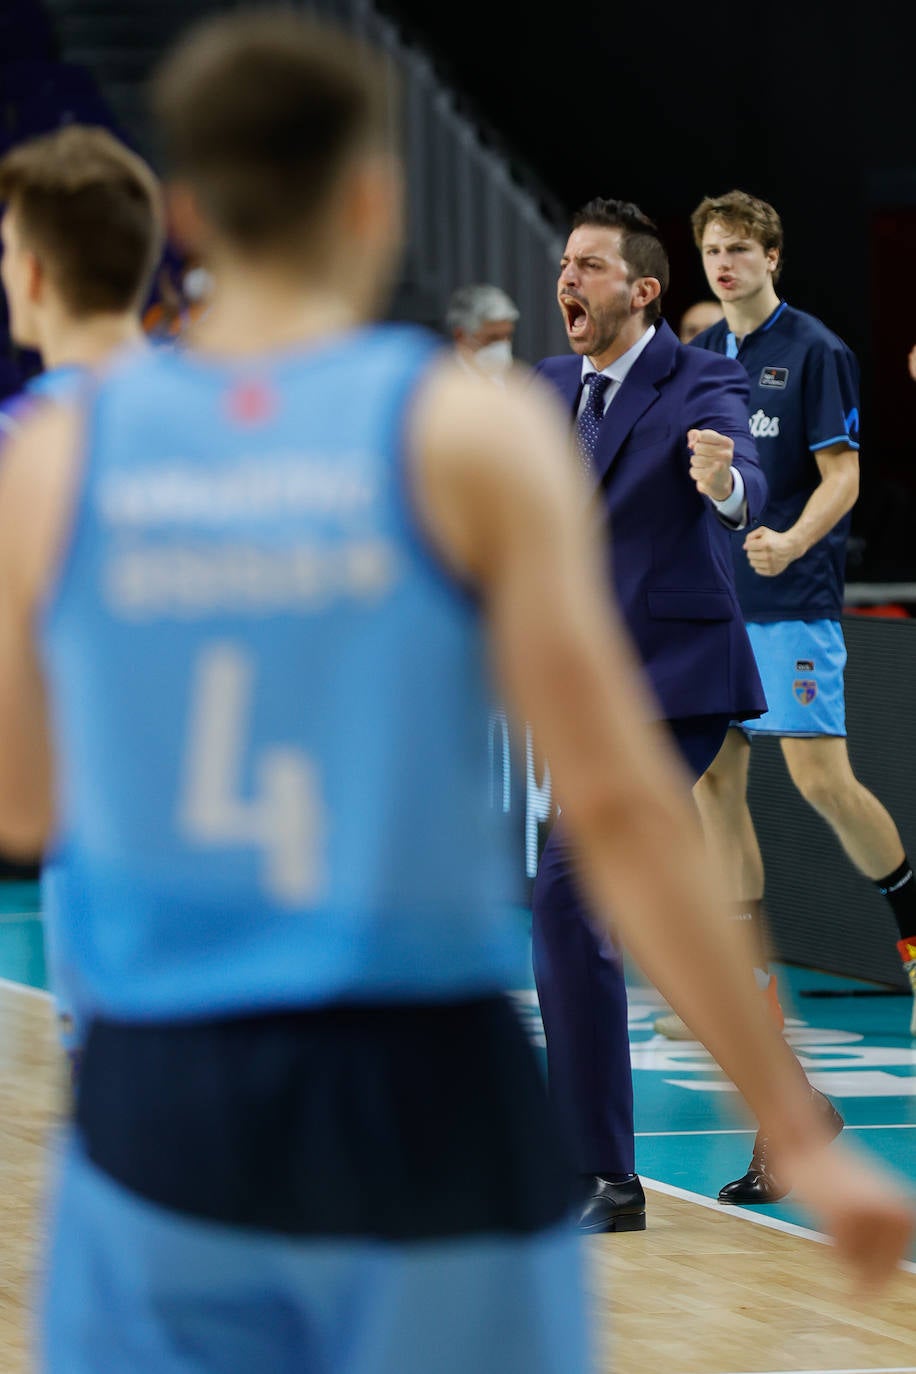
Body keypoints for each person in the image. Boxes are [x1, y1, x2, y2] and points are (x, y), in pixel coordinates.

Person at [0, 14, 911, 1372]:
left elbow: (28, 800)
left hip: (166, 1090)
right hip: (417, 1075)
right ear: (372, 202)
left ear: (187, 212)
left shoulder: (60, 456)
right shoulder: (467, 431)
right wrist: (787, 1121)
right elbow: (612, 802)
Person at [530, 197, 769, 1234]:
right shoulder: (543, 389)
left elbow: (745, 477)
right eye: (563, 263)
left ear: (641, 290)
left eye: (588, 265)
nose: (566, 280)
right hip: (585, 695)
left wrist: (725, 484)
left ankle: (603, 1178)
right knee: (648, 926)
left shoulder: (698, 375)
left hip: (675, 682)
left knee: (564, 896)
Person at [679, 187, 916, 1202]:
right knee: (710, 792)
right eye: (712, 251)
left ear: (771, 253)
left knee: (820, 782)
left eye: (738, 249)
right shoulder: (696, 363)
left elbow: (842, 477)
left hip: (793, 604)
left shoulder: (810, 350)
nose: (724, 264)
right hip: (706, 611)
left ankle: (912, 922)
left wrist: (789, 541)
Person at [0, 122, 163, 1071]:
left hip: (109, 862)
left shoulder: (30, 446)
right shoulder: (237, 415)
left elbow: (21, 798)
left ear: (31, 273)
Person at [445, 281, 518, 378]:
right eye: (493, 338)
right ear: (460, 336)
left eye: (508, 336)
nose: (503, 345)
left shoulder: (516, 381)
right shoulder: (441, 383)